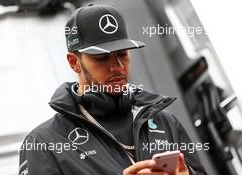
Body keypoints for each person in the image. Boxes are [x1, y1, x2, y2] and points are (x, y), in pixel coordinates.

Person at [19, 4, 207, 175]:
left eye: (122, 54)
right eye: (101, 57)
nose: (117, 66)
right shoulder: (43, 142)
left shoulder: (165, 121)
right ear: (74, 62)